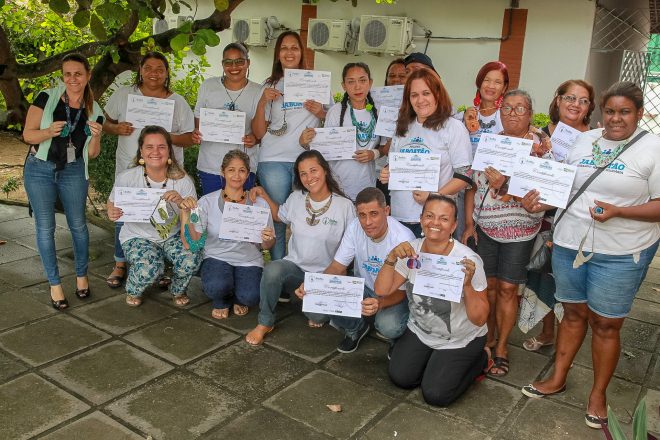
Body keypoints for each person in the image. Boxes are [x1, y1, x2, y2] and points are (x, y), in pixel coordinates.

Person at [520, 81, 660, 429]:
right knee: (572, 313)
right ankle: (558, 376)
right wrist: (538, 200)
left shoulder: (653, 149)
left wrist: (619, 212)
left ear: (639, 114)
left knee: (606, 324)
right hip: (569, 243)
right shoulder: (584, 140)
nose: (616, 118)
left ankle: (598, 393)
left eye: (624, 112)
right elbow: (564, 187)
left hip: (620, 252)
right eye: (610, 111)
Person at [462, 89, 553, 377]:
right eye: (507, 108)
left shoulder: (542, 149)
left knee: (508, 290)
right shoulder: (489, 143)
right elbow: (474, 186)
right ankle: (487, 339)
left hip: (520, 231)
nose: (513, 113)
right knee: (486, 288)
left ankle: (502, 346)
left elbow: (545, 194)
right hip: (485, 227)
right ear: (500, 113)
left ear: (530, 113)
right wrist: (468, 223)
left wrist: (506, 184)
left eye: (520, 108)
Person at [374, 194, 489, 406]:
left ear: (454, 225)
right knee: (401, 378)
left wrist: (467, 286)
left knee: (436, 395)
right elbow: (382, 290)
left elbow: (480, 318)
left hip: (459, 338)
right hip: (421, 330)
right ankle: (433, 362)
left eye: (444, 219)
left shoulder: (467, 261)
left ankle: (480, 359)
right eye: (429, 216)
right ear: (421, 219)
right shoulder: (411, 250)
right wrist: (391, 259)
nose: (435, 223)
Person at [103, 52, 195, 289]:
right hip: (130, 165)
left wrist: (165, 137)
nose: (154, 73)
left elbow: (189, 138)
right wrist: (116, 128)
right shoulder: (124, 94)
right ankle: (120, 263)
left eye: (160, 69)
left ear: (166, 73)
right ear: (140, 70)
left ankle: (161, 264)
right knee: (125, 212)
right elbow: (104, 122)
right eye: (149, 67)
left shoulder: (179, 101)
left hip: (166, 169)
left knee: (166, 212)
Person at [245, 150, 356, 346]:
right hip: (295, 271)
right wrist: (262, 193)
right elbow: (280, 215)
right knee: (273, 269)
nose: (309, 177)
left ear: (325, 170)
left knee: (317, 316)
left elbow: (352, 247)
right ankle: (265, 322)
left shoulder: (345, 206)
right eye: (303, 173)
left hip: (326, 275)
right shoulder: (297, 198)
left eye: (313, 170)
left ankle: (308, 301)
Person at [22, 53, 104, 310]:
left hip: (73, 170)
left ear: (88, 75)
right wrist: (48, 132)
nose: (72, 79)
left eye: (78, 73)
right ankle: (55, 285)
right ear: (62, 76)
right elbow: (27, 135)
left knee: (78, 226)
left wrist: (98, 136)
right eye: (67, 74)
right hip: (39, 169)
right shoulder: (47, 97)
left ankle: (82, 277)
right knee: (45, 228)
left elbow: (91, 153)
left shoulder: (95, 110)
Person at [294, 187, 415, 353]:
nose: (367, 222)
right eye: (362, 215)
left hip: (394, 294)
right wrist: (314, 286)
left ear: (386, 211)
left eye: (374, 214)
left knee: (388, 326)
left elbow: (402, 292)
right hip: (364, 287)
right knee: (313, 310)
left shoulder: (403, 238)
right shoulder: (354, 227)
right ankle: (356, 328)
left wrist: (380, 303)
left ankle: (397, 338)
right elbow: (337, 266)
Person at [522, 79, 595, 353]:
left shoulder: (594, 140)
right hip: (544, 218)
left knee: (570, 281)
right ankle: (548, 332)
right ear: (558, 100)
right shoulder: (538, 135)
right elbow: (526, 175)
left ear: (589, 107)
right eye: (570, 98)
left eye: (583, 100)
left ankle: (568, 338)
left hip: (576, 220)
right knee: (543, 276)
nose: (575, 104)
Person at [251, 31, 327, 261]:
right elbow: (258, 132)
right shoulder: (268, 84)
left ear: (302, 52)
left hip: (306, 161)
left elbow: (332, 122)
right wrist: (264, 100)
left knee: (307, 218)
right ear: (278, 54)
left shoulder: (316, 82)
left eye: (294, 47)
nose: (289, 52)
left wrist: (320, 112)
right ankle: (278, 271)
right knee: (278, 219)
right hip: (273, 159)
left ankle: (301, 270)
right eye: (284, 48)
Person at [107, 126, 201, 307]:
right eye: (149, 147)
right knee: (150, 268)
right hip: (137, 235)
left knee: (192, 258)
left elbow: (193, 231)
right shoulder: (127, 177)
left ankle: (177, 289)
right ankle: (133, 288)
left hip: (172, 235)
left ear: (169, 151)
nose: (155, 152)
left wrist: (183, 206)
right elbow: (112, 202)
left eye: (161, 147)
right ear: (141, 151)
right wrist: (111, 211)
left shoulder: (183, 181)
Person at [180, 150, 275, 319]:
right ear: (222, 172)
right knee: (216, 287)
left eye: (242, 170)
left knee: (251, 296)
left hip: (249, 260)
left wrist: (267, 239)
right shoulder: (206, 202)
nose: (236, 176)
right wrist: (186, 215)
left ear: (248, 174)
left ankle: (238, 297)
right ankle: (222, 300)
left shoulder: (259, 205)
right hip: (216, 256)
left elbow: (267, 246)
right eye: (231, 170)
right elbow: (194, 242)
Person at [380, 69, 472, 238]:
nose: (420, 100)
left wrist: (434, 197)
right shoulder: (403, 126)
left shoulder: (453, 127)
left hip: (434, 221)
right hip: (399, 218)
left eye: (426, 93)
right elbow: (392, 163)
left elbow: (465, 175)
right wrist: (387, 172)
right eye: (414, 95)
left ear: (437, 94)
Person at [299, 62, 384, 200]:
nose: (357, 86)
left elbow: (386, 146)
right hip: (338, 186)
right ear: (344, 86)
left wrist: (374, 153)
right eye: (351, 82)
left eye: (362, 80)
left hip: (366, 186)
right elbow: (323, 150)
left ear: (370, 83)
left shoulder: (378, 112)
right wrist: (305, 142)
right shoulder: (335, 112)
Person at [192, 43, 261, 195]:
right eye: (228, 62)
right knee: (212, 212)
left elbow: (262, 130)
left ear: (248, 63)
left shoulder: (259, 91)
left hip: (243, 168)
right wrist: (197, 133)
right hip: (211, 165)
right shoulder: (208, 86)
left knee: (239, 213)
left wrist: (255, 139)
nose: (234, 66)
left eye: (239, 61)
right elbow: (199, 120)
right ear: (222, 64)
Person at [376, 58, 406, 206]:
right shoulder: (375, 103)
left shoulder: (418, 108)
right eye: (392, 76)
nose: (396, 80)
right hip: (381, 173)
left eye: (402, 76)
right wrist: (384, 148)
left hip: (405, 175)